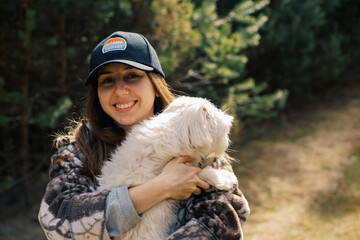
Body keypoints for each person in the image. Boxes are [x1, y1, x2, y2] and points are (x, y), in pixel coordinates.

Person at [38, 31, 250, 240]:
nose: (120, 91)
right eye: (107, 81)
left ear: (155, 86)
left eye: (132, 76)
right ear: (98, 94)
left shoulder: (195, 138)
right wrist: (161, 187)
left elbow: (219, 226)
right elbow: (57, 222)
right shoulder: (76, 151)